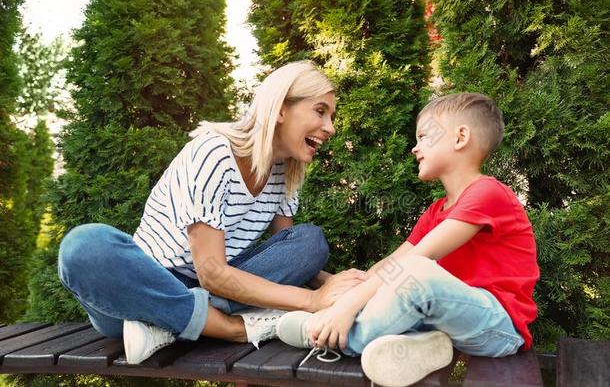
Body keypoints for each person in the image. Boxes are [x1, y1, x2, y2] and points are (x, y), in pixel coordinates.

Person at [57, 60, 367, 365]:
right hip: (146, 290)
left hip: (215, 294)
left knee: (310, 240)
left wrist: (340, 287)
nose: (331, 127)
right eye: (320, 111)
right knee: (82, 247)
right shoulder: (214, 153)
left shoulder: (285, 172)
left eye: (331, 115)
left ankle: (170, 326)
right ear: (282, 109)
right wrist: (312, 301)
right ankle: (233, 328)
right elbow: (212, 273)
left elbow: (291, 252)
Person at [277, 93, 540, 387]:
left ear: (460, 137)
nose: (415, 148)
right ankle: (423, 346)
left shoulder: (487, 194)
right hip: (450, 327)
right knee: (395, 282)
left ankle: (329, 336)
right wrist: (347, 286)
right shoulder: (436, 210)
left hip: (498, 326)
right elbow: (393, 263)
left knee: (415, 274)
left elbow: (415, 261)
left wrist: (346, 308)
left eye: (424, 137)